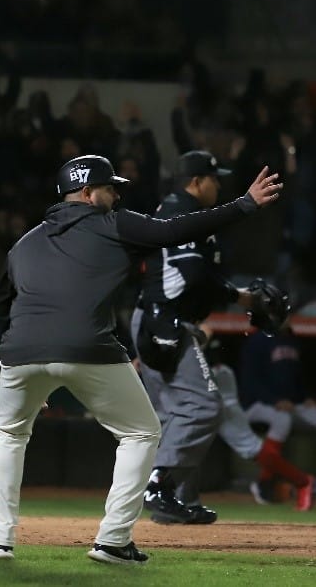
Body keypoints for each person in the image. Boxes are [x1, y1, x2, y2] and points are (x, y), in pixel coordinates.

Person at [0, 154, 281, 564]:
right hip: (88, 347)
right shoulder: (113, 223)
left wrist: (18, 365)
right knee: (140, 433)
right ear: (86, 192)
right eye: (110, 188)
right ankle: (113, 540)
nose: (116, 195)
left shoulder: (24, 242)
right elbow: (176, 230)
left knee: (9, 435)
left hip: (20, 353)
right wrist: (243, 204)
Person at [131, 150, 266, 525]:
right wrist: (237, 296)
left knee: (175, 413)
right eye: (213, 178)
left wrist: (238, 296)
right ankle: (158, 484)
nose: (218, 184)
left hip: (155, 314)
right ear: (195, 182)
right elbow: (192, 275)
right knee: (205, 407)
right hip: (165, 320)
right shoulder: (182, 212)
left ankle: (177, 500)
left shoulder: (177, 209)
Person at [202, 333, 313, 511]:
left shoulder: (220, 367)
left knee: (251, 447)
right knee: (171, 442)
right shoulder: (257, 342)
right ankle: (171, 493)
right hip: (176, 392)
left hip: (214, 388)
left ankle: (299, 481)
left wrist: (304, 397)